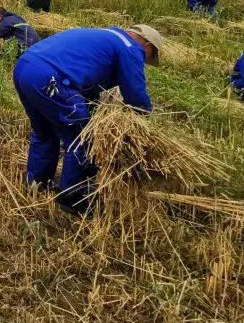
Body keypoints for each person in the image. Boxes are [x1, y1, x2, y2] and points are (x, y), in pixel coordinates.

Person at [12, 24, 164, 216]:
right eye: (148, 56)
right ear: (148, 45)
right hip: (52, 78)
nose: (144, 59)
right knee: (83, 138)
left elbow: (89, 84)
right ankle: (72, 197)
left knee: (44, 132)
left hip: (25, 67)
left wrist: (91, 111)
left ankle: (37, 183)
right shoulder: (130, 47)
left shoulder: (106, 37)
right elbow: (135, 95)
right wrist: (145, 119)